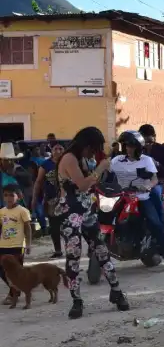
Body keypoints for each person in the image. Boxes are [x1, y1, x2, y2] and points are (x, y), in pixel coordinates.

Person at [56, 127, 126, 319]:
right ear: (85, 145)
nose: (93, 153)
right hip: (71, 214)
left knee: (102, 251)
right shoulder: (69, 158)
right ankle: (77, 301)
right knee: (74, 256)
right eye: (92, 149)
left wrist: (100, 169)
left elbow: (91, 184)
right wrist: (101, 167)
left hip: (86, 212)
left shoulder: (83, 159)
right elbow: (83, 185)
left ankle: (117, 291)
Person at [110, 131, 164, 270]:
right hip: (121, 198)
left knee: (156, 224)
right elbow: (107, 176)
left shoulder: (146, 160)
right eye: (126, 145)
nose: (128, 149)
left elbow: (154, 178)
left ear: (139, 147)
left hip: (141, 198)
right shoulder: (116, 161)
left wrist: (147, 186)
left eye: (132, 146)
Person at [31, 144, 65, 258]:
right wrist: (34, 198)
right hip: (51, 200)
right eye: (56, 149)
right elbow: (38, 182)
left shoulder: (67, 162)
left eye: (61, 149)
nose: (58, 151)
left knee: (68, 225)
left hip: (67, 199)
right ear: (51, 151)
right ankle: (58, 250)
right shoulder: (45, 165)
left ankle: (71, 248)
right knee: (54, 226)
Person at [0, 184, 31, 306]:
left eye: (11, 195)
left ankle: (13, 294)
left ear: (18, 196)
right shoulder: (1, 212)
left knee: (15, 270)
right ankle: (17, 288)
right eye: (6, 195)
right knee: (3, 270)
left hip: (17, 246)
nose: (8, 198)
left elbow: (28, 228)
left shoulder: (22, 211)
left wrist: (28, 244)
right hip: (3, 245)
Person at [138, 124, 164, 224]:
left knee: (155, 195)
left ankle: (161, 229)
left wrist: (156, 164)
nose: (148, 145)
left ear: (155, 136)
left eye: (150, 142)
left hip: (157, 183)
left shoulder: (163, 149)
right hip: (139, 183)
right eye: (145, 142)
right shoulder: (137, 150)